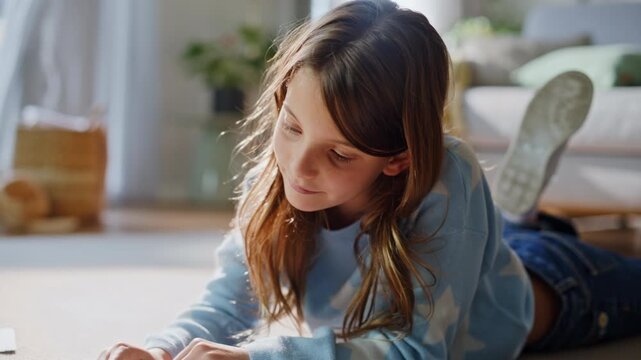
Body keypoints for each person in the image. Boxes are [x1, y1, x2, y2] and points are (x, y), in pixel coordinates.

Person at [99, 1, 641, 359]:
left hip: (561, 292)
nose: (298, 166)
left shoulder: (445, 175)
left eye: (338, 154)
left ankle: (513, 222)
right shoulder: (282, 172)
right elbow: (227, 303)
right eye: (290, 127)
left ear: (398, 160)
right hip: (466, 246)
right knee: (492, 236)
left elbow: (415, 351)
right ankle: (512, 218)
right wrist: (162, 348)